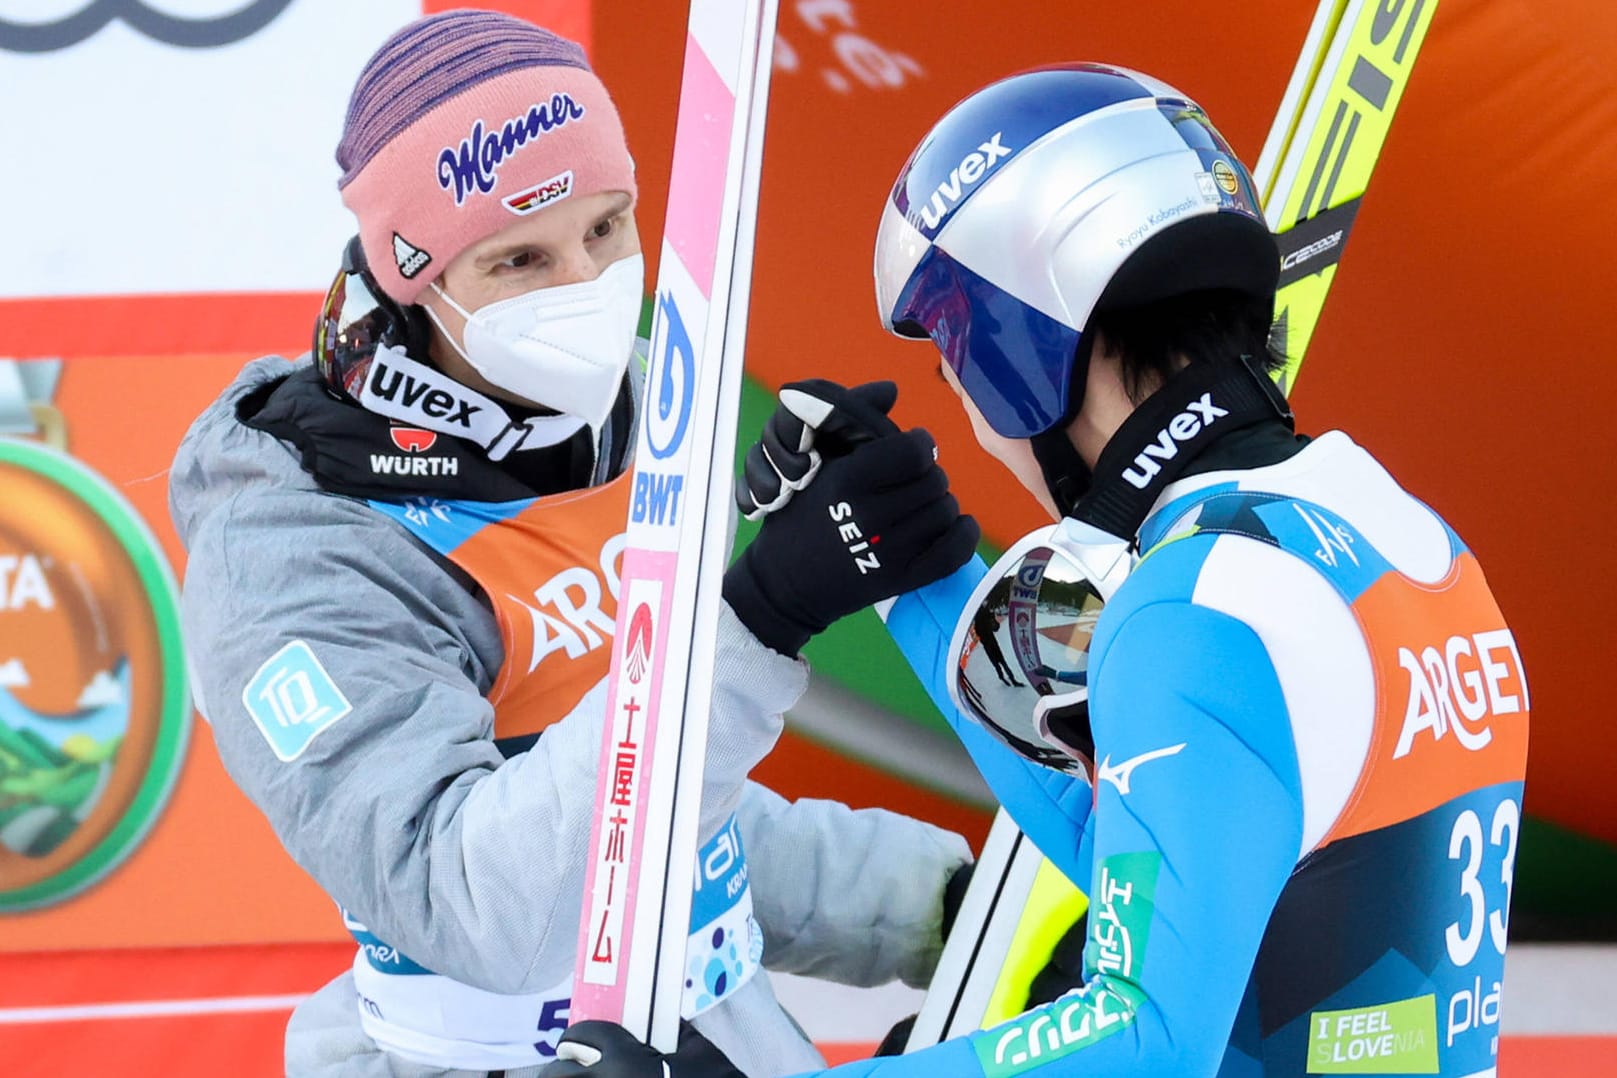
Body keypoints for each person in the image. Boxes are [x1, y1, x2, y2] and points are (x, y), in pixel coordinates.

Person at [552, 63, 1529, 1078]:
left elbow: (1143, 1033)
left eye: (959, 367)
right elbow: (1169, 883)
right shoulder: (1396, 534)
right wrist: (910, 578)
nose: (975, 424)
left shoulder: (1191, 608)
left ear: (1021, 345)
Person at [168, 11, 982, 1076]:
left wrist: (945, 908)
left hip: (716, 1035)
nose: (585, 289)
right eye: (519, 257)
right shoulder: (298, 541)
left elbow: (689, 813)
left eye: (608, 227)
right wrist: (754, 616)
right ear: (415, 279)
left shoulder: (631, 406)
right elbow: (473, 905)